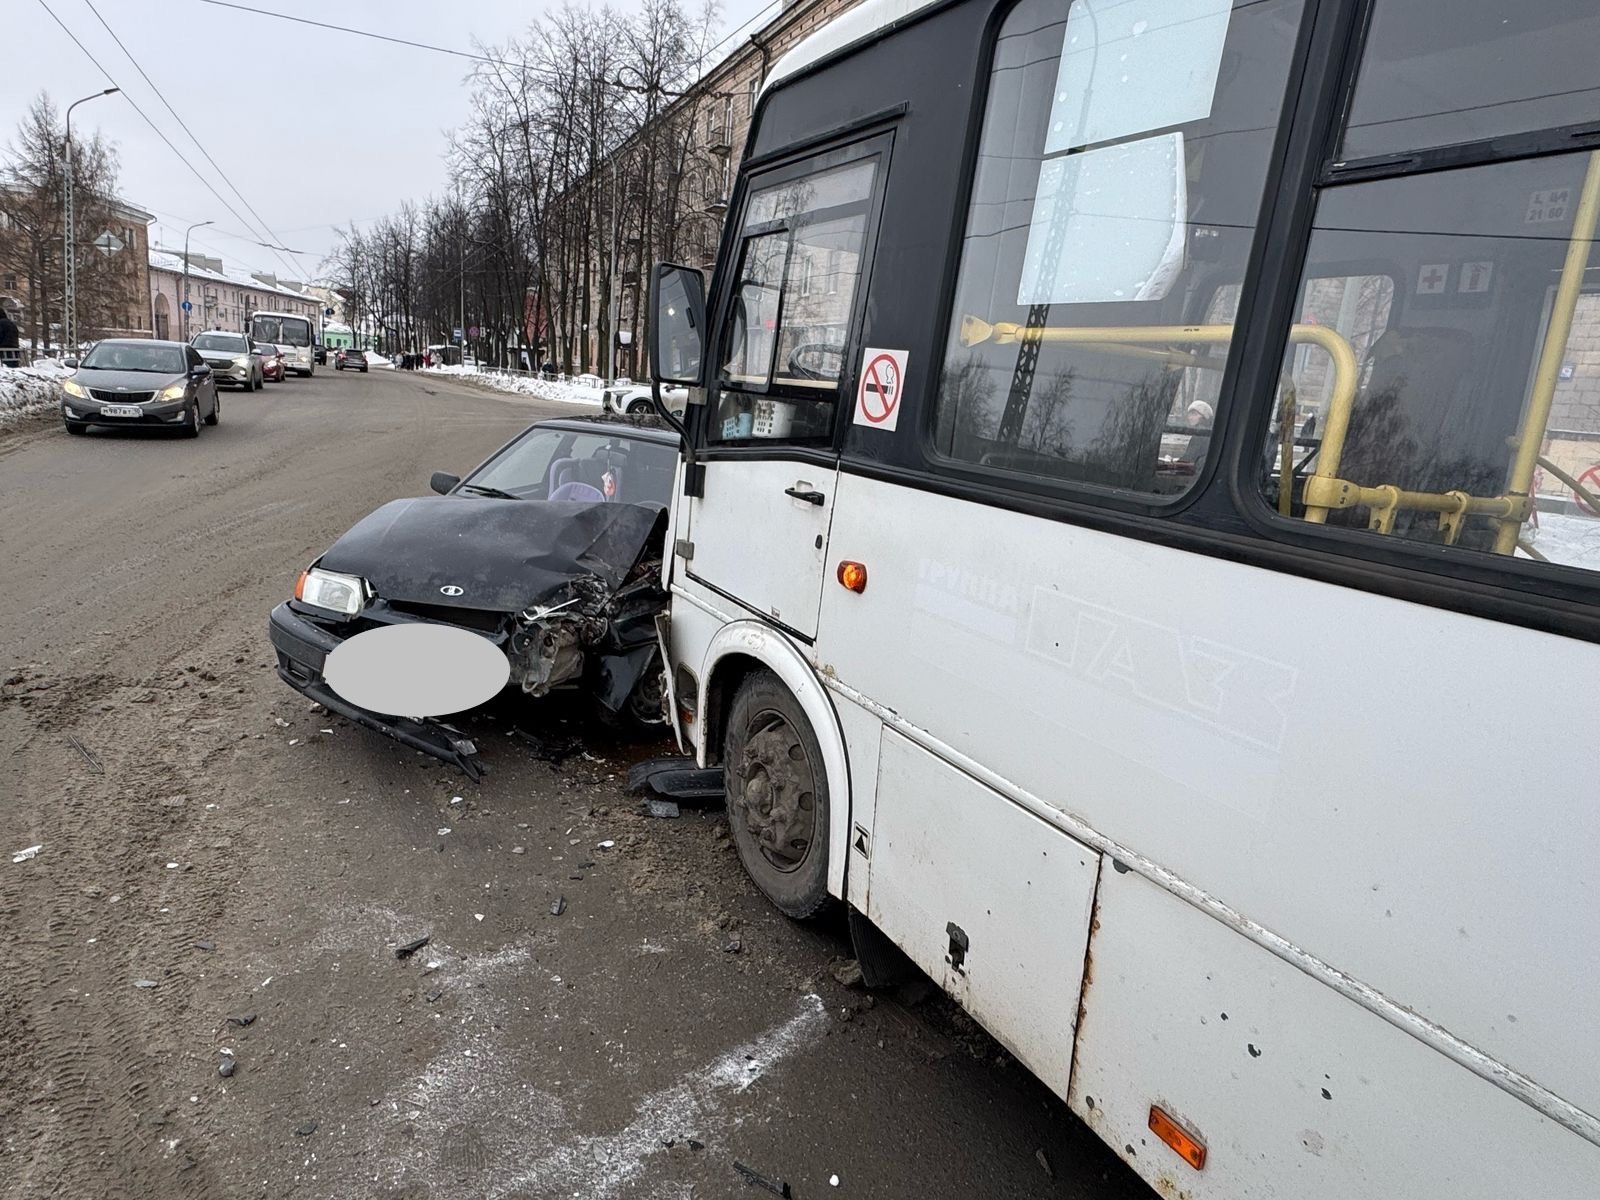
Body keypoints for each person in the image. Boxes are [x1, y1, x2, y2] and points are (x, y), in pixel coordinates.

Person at [0, 304, 20, 368]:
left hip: (4, 350)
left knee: (6, 367)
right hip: (14, 350)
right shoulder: (12, 323)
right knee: (13, 369)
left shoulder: (1, 323)